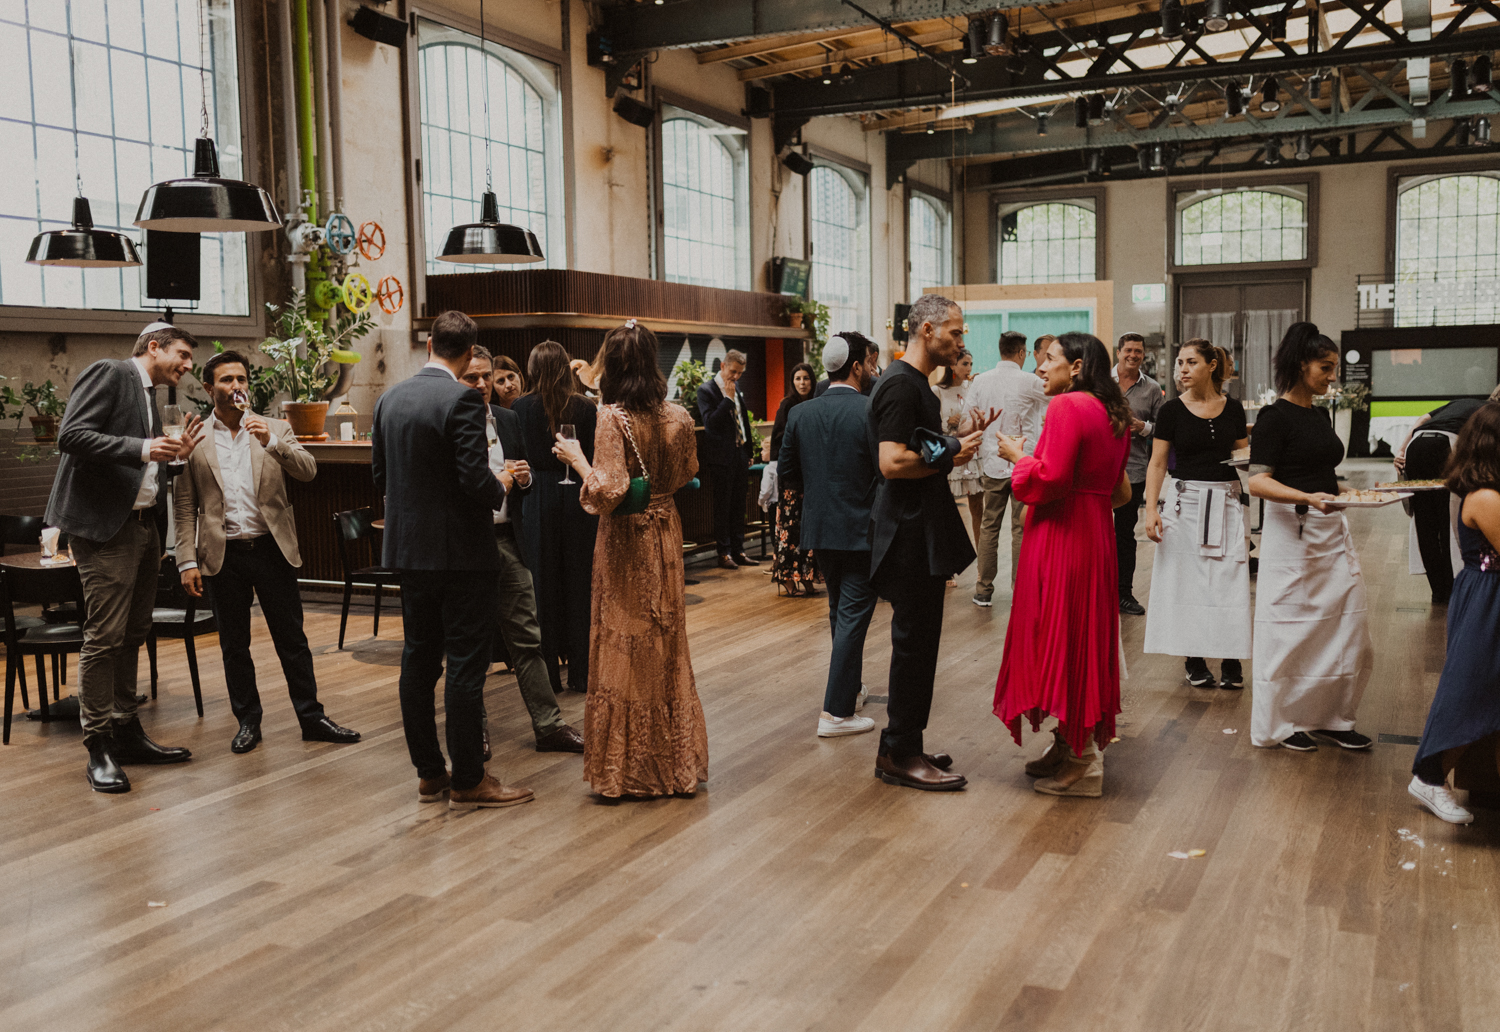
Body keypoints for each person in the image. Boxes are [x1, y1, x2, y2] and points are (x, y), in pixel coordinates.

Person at [371, 310, 533, 810]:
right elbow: (474, 482)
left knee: (418, 660)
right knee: (466, 664)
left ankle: (428, 773)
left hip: (407, 551)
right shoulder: (461, 397)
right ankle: (468, 778)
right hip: (462, 554)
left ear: (428, 347)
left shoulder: (389, 398)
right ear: (468, 354)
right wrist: (503, 480)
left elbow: (381, 477)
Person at [174, 350, 360, 753]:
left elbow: (308, 471)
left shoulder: (275, 427)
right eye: (227, 380)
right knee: (234, 645)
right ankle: (248, 722)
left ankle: (312, 718)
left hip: (272, 550)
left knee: (292, 639)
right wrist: (186, 559)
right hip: (223, 554)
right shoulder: (197, 437)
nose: (237, 386)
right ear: (209, 389)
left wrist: (273, 441)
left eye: (241, 379)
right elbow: (185, 504)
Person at [45, 324, 204, 793]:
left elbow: (147, 465)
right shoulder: (112, 373)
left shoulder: (151, 395)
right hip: (105, 531)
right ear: (153, 347)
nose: (188, 365)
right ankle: (98, 745)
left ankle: (126, 728)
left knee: (135, 632)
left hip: (143, 528)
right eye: (182, 354)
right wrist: (143, 448)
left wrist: (174, 457)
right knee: (105, 637)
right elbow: (71, 435)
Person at [554, 320, 708, 798]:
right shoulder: (679, 416)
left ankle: (628, 769)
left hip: (625, 539)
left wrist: (577, 459)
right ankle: (674, 763)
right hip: (666, 531)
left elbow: (608, 491)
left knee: (623, 640)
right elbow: (687, 472)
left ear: (614, 367)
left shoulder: (611, 418)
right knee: (665, 640)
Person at [992, 333, 1134, 797]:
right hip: (1094, 535)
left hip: (1062, 536)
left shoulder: (1068, 408)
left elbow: (1050, 479)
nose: (1040, 367)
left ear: (1076, 367)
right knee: (1080, 638)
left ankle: (1083, 763)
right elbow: (1118, 491)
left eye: (1049, 359)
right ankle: (1069, 742)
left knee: (1060, 635)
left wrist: (1018, 457)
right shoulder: (1114, 413)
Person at [868, 294, 994, 791]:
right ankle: (900, 751)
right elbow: (892, 462)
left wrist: (953, 450)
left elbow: (920, 452)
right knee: (914, 645)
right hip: (906, 533)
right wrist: (952, 454)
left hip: (917, 529)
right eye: (956, 332)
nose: (961, 342)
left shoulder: (915, 383)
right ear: (926, 331)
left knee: (921, 645)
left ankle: (905, 743)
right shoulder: (900, 384)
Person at [1247, 322, 1374, 753]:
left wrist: (1346, 490)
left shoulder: (1318, 414)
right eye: (1326, 367)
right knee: (1290, 632)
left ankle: (1332, 717)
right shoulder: (1273, 418)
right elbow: (1258, 481)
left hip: (1331, 532)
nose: (1332, 376)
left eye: (1334, 367)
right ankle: (1282, 720)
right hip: (1293, 534)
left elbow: (1321, 471)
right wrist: (1307, 496)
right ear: (1302, 366)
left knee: (1347, 629)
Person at [459, 346, 585, 754]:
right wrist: (500, 481)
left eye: (485, 377)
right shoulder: (449, 421)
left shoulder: (510, 419)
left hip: (508, 539)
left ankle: (549, 726)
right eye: (472, 377)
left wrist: (525, 479)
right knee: (472, 645)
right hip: (466, 543)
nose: (480, 385)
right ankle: (475, 731)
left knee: (528, 636)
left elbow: (522, 482)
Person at [779, 335, 881, 737]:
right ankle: (835, 713)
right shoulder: (870, 411)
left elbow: (787, 470)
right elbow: (884, 467)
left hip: (819, 527)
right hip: (861, 527)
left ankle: (850, 690)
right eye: (868, 365)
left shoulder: (802, 414)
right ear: (855, 367)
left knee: (840, 610)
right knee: (853, 615)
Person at [1141, 339, 1252, 691]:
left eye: (1191, 362)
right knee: (1187, 583)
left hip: (1227, 500)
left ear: (1211, 366)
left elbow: (1244, 455)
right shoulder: (1171, 411)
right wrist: (1150, 509)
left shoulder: (1233, 408)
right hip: (1184, 503)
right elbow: (1157, 462)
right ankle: (1194, 658)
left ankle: (1231, 658)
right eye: (1180, 362)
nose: (1183, 369)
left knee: (1228, 582)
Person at [1408, 401, 1500, 824]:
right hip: (1488, 595)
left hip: (1487, 591)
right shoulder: (1484, 497)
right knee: (1470, 687)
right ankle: (1429, 775)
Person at [513, 342, 600, 696]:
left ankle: (548, 674)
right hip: (577, 495)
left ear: (532, 369)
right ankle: (582, 672)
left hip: (536, 498)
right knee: (580, 584)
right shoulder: (585, 407)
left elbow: (516, 458)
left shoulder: (518, 408)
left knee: (542, 587)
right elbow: (591, 455)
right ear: (566, 368)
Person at [967, 330, 1048, 606]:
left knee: (989, 526)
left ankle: (983, 589)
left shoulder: (980, 381)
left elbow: (969, 418)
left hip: (992, 460)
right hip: (1023, 463)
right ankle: (1020, 590)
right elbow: (1055, 400)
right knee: (1020, 528)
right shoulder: (1031, 381)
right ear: (1022, 353)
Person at [1394, 395, 1490, 605]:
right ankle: (1453, 588)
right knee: (1448, 519)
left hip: (1416, 445)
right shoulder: (1491, 413)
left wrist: (1401, 450)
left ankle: (1438, 591)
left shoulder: (1460, 402)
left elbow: (1421, 419)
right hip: (1446, 445)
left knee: (1424, 520)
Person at [1112, 332, 1163, 616]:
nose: (1133, 355)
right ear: (1118, 352)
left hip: (1133, 470)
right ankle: (1096, 591)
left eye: (1138, 352)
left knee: (1124, 534)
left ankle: (1123, 594)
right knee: (1093, 533)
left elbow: (1163, 428)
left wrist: (1142, 427)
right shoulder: (1100, 383)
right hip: (1098, 468)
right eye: (1128, 350)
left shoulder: (1153, 389)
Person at [698, 349, 758, 569]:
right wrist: (727, 400)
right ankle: (723, 553)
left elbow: (744, 423)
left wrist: (749, 452)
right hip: (721, 458)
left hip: (740, 454)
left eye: (740, 373)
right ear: (723, 366)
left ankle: (739, 550)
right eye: (733, 371)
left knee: (738, 504)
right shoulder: (706, 391)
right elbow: (711, 424)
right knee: (722, 506)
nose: (736, 377)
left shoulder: (736, 387)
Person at [767, 362, 818, 596]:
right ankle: (787, 578)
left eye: (806, 378)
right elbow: (779, 440)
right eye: (797, 378)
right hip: (792, 479)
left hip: (811, 477)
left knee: (808, 530)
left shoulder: (816, 402)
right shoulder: (787, 405)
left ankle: (806, 575)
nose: (802, 383)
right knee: (789, 530)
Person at [934, 347, 984, 545]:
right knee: (946, 510)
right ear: (952, 364)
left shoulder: (971, 389)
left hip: (971, 451)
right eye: (965, 363)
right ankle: (948, 566)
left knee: (978, 508)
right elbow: (930, 424)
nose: (969, 368)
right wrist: (947, 422)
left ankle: (983, 561)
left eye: (971, 364)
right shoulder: (937, 391)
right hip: (950, 451)